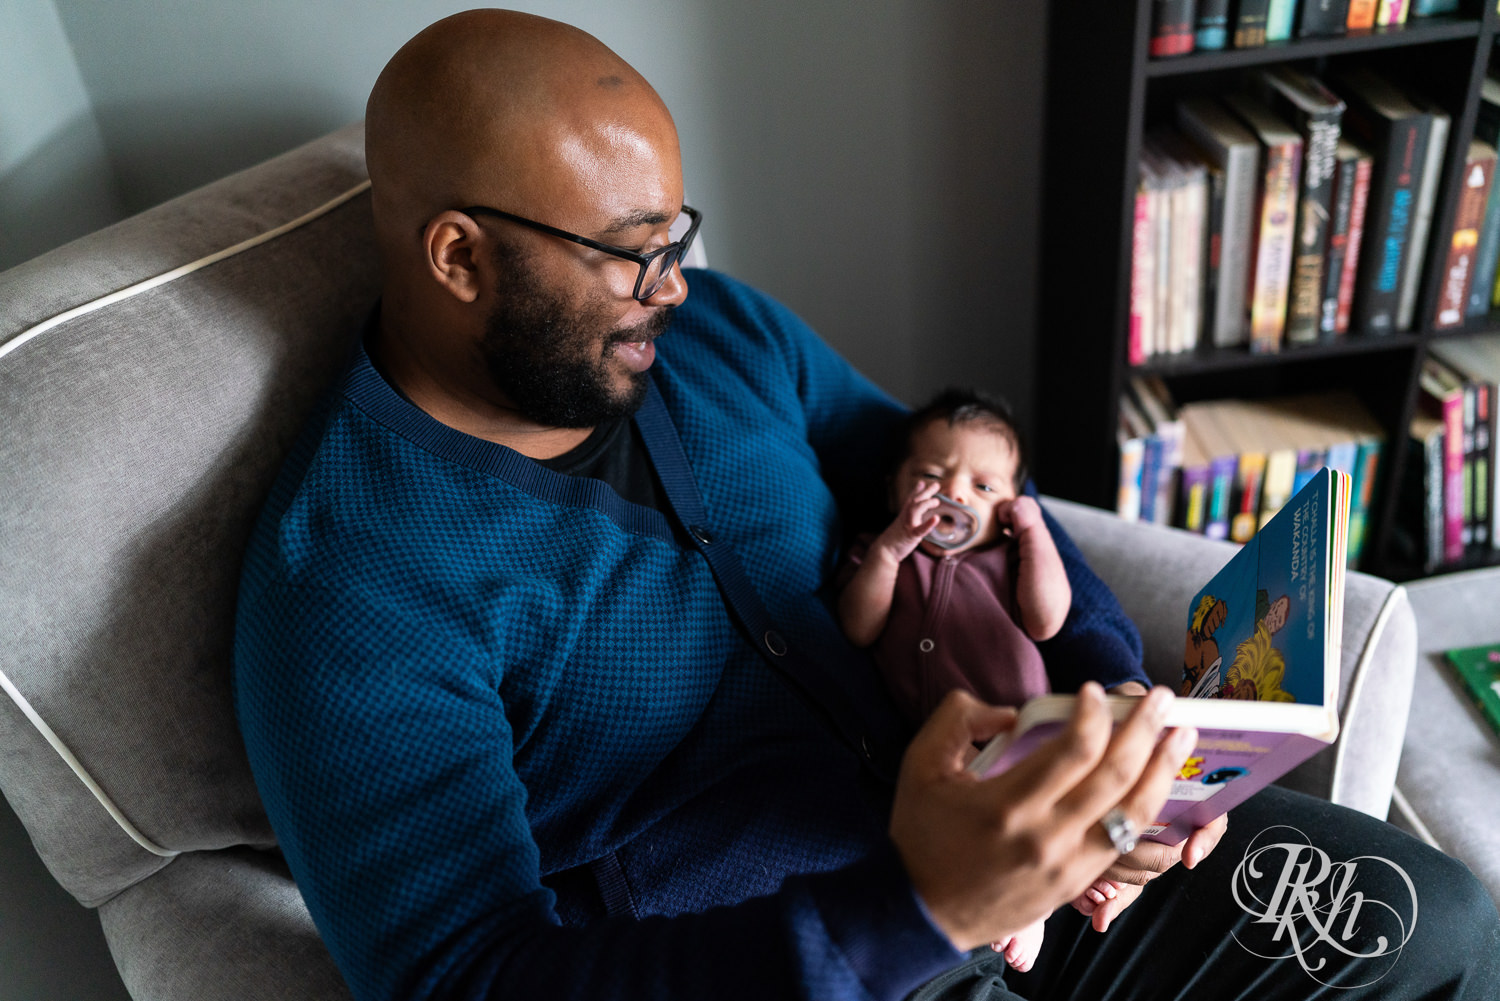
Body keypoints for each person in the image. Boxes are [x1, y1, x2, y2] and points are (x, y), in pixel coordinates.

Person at [232, 10, 1500, 1001]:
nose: (677, 287)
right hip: (798, 957)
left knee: (1444, 925)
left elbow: (979, 483)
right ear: (459, 256)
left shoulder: (717, 336)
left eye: (681, 236)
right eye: (635, 253)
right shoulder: (350, 587)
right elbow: (464, 976)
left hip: (1026, 837)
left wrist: (1113, 737)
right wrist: (927, 905)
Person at [837, 388, 1150, 972]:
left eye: (983, 487)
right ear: (894, 489)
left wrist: (1033, 535)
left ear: (1011, 506)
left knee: (1053, 801)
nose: (955, 493)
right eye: (931, 476)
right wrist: (893, 547)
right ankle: (1040, 894)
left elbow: (1048, 618)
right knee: (975, 827)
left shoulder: (1010, 559)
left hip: (1023, 727)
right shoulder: (881, 553)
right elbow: (858, 625)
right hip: (935, 751)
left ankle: (1053, 898)